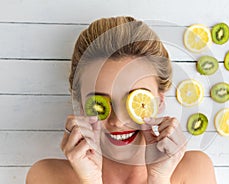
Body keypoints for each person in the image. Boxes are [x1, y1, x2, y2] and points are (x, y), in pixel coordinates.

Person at [26, 16, 216, 184]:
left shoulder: (194, 171)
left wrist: (159, 178)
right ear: (80, 105)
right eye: (100, 103)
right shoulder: (46, 176)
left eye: (133, 101)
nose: (118, 121)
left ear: (158, 101)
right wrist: (90, 180)